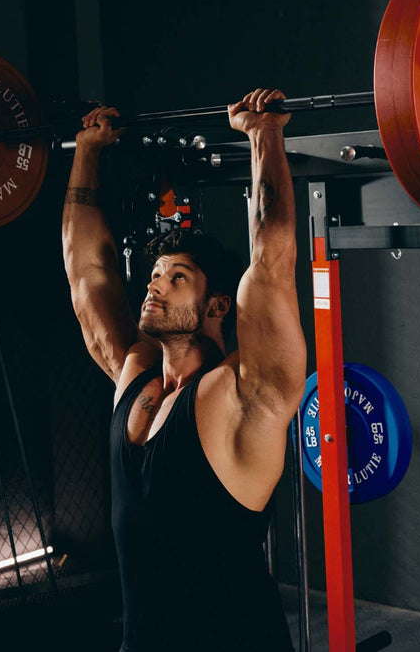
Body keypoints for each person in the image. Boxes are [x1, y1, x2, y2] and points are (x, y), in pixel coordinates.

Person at [61, 89, 307, 651]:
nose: (154, 283)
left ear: (217, 306)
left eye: (176, 278)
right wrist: (87, 152)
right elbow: (87, 273)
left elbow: (271, 261)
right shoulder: (136, 374)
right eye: (154, 275)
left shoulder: (244, 396)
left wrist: (263, 134)